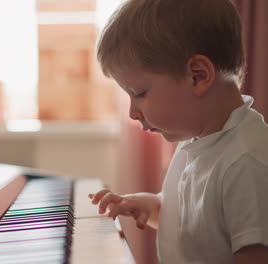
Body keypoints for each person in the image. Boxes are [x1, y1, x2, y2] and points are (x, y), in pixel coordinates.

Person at [88, 0, 268, 263]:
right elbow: (195, 226)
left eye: (139, 94)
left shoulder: (246, 162)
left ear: (197, 76)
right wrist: (147, 206)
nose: (132, 113)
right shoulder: (198, 142)